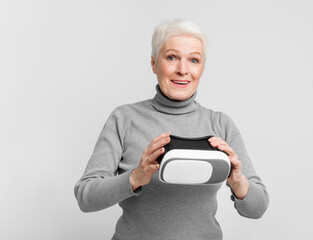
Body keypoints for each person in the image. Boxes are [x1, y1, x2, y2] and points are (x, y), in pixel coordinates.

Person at [74, 19, 269, 240]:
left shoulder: (221, 124)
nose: (182, 70)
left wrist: (237, 181)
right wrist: (136, 177)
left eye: (193, 60)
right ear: (154, 63)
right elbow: (85, 197)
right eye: (172, 57)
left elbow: (257, 208)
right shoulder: (124, 119)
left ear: (202, 69)